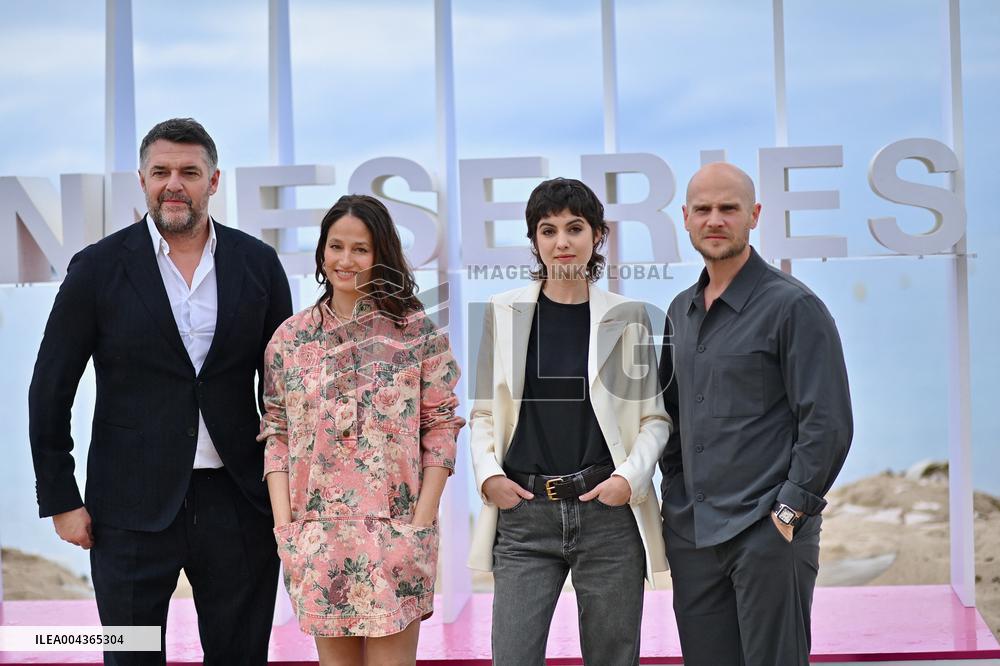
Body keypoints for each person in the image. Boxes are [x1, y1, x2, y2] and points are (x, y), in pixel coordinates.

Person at [28, 118, 293, 664]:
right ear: (142, 180)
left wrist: (288, 497)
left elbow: (286, 392)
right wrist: (60, 500)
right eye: (161, 172)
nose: (174, 183)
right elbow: (50, 387)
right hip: (124, 510)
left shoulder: (257, 264)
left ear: (213, 182)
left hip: (239, 502)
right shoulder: (98, 268)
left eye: (189, 172)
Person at [467, 177, 671, 665]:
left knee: (613, 658)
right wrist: (489, 476)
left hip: (607, 511)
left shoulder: (629, 315)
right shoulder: (504, 311)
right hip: (524, 515)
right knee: (513, 657)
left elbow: (653, 418)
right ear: (535, 240)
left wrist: (629, 479)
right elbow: (483, 413)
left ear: (598, 235)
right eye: (548, 230)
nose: (562, 242)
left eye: (575, 228)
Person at [657, 162, 853, 665]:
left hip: (766, 533)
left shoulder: (793, 307)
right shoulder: (680, 311)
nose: (715, 219)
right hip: (694, 536)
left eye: (729, 208)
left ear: (754, 215)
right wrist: (676, 497)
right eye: (703, 209)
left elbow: (827, 422)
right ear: (685, 218)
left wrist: (787, 513)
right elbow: (671, 419)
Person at [259, 194, 465, 666]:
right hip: (317, 542)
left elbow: (439, 427)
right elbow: (278, 433)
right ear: (321, 252)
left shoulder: (415, 332)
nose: (345, 260)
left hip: (397, 536)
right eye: (336, 246)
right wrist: (285, 528)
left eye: (360, 249)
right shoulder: (290, 339)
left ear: (380, 256)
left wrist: (421, 521)